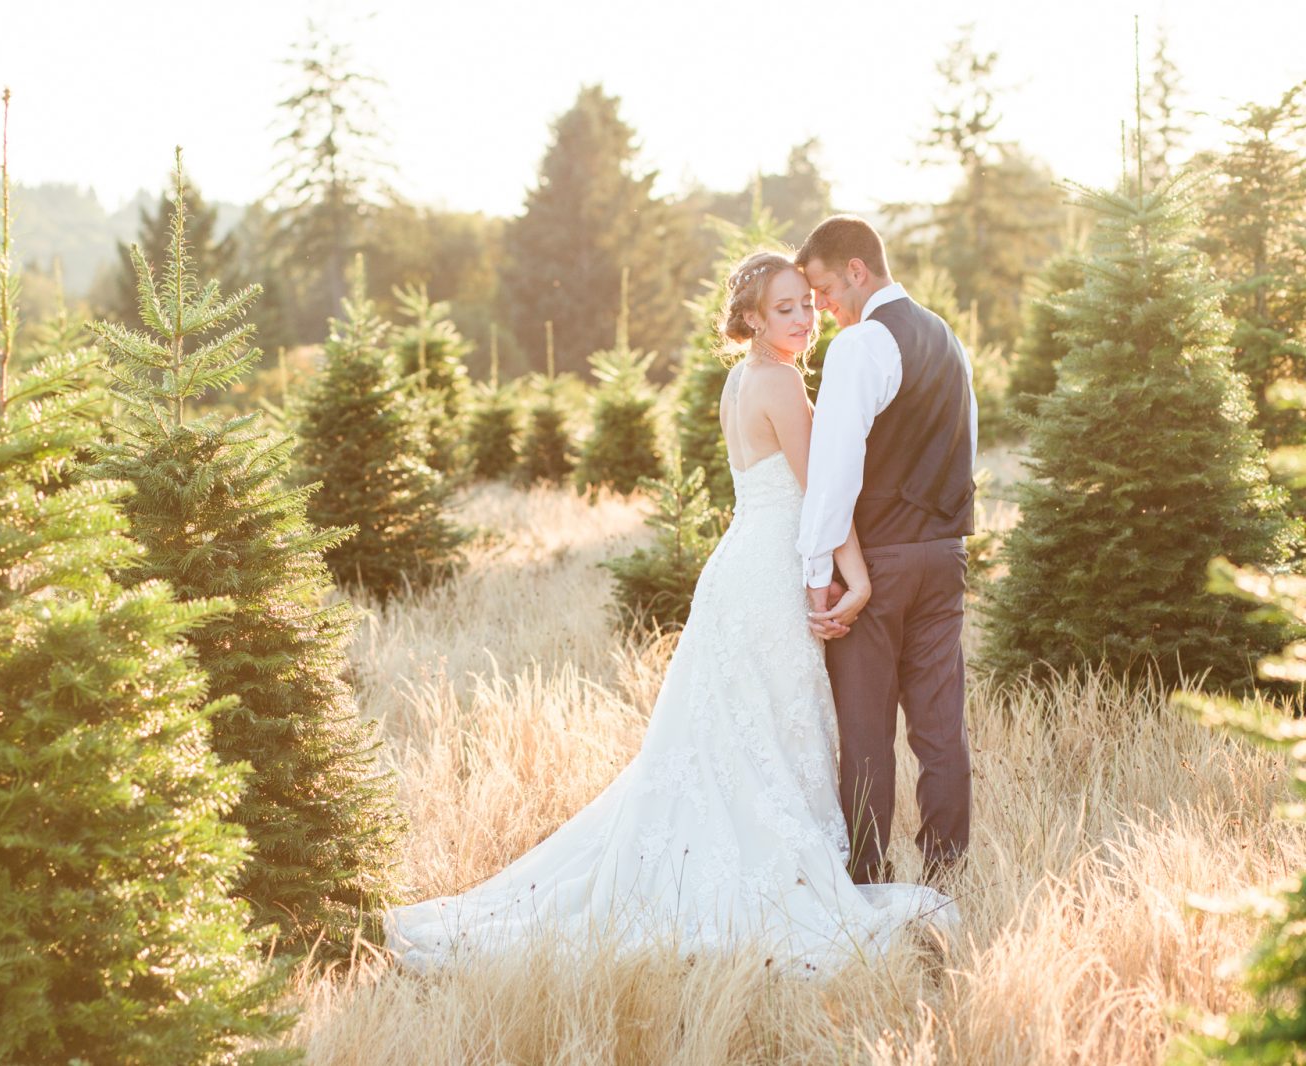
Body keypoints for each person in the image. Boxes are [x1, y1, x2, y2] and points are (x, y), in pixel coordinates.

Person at [382, 248, 954, 975]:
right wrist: (859, 580)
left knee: (730, 735)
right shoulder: (780, 386)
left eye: (807, 305)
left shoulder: (738, 382)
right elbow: (824, 496)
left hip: (739, 569)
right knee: (767, 728)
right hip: (767, 578)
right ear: (751, 318)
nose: (806, 319)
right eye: (787, 309)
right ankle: (767, 874)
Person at [796, 215, 977, 888]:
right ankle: (946, 874)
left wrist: (821, 571)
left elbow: (834, 468)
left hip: (878, 566)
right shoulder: (947, 338)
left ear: (856, 271)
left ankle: (868, 879)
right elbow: (968, 442)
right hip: (944, 557)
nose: (820, 307)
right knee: (940, 728)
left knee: (866, 733)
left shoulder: (861, 345)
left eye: (821, 290)